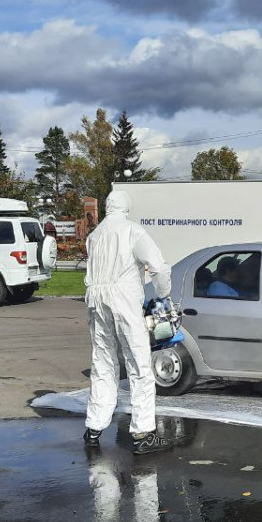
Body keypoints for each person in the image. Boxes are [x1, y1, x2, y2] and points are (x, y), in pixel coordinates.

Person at [82, 189, 174, 455]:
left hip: (96, 300)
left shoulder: (94, 236)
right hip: (123, 298)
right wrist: (163, 294)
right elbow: (157, 266)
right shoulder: (133, 231)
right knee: (138, 364)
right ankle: (143, 433)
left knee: (103, 362)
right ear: (126, 208)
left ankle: (94, 427)